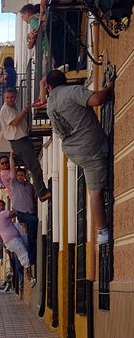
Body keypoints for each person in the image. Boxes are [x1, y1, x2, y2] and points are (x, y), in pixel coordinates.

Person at [45, 68, 115, 244]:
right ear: (65, 80)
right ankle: (102, 232)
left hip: (73, 151)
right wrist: (108, 87)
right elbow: (97, 99)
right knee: (95, 191)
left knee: (94, 189)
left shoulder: (50, 104)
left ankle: (102, 230)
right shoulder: (72, 92)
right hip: (91, 148)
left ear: (49, 87)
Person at [0, 88, 51, 202]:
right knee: (35, 167)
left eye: (12, 97)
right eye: (7, 97)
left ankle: (39, 191)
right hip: (19, 142)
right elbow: (14, 122)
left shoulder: (14, 107)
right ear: (4, 98)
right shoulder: (6, 109)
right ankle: (42, 193)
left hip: (22, 140)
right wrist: (25, 111)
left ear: (15, 97)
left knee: (34, 167)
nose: (10, 100)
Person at [0, 199, 37, 287]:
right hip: (13, 240)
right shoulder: (2, 214)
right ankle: (30, 278)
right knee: (24, 257)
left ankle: (28, 275)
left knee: (29, 241)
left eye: (3, 205)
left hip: (13, 240)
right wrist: (20, 205)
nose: (2, 207)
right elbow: (14, 213)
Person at [9, 151, 38, 265]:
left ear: (25, 176)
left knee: (30, 240)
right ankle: (31, 242)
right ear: (16, 176)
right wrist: (11, 157)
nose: (20, 177)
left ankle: (31, 259)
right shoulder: (14, 184)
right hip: (20, 212)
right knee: (34, 221)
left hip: (30, 212)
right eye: (18, 175)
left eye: (22, 175)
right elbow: (12, 169)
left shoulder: (30, 186)